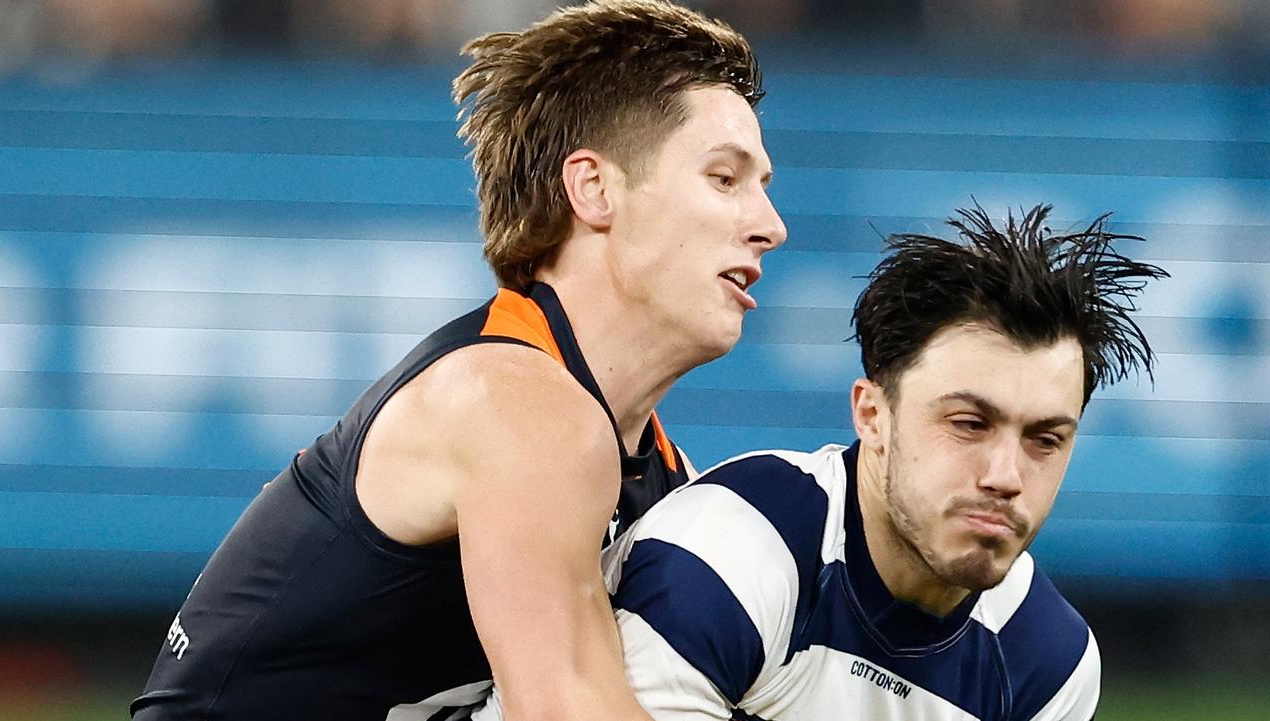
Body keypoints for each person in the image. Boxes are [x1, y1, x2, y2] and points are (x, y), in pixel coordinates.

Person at [130, 2, 786, 719]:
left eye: (762, 187)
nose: (770, 226)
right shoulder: (518, 405)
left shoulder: (648, 472)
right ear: (594, 189)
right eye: (725, 179)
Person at [476, 204, 1166, 721]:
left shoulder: (1047, 660)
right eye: (968, 423)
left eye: (1045, 438)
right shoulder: (731, 556)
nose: (1005, 475)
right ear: (872, 414)